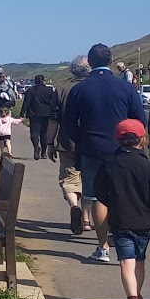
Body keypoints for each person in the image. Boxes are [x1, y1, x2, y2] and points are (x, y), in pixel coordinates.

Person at [60, 44, 147, 263]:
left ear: (89, 62)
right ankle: (124, 243)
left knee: (96, 197)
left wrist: (82, 139)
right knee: (121, 195)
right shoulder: (125, 88)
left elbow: (69, 123)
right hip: (122, 150)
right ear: (110, 61)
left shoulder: (80, 89)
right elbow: (139, 120)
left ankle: (103, 248)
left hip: (91, 149)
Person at [92, 120, 150, 299]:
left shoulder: (109, 163)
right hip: (144, 221)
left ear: (117, 140)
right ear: (142, 140)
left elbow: (100, 192)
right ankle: (136, 297)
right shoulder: (149, 166)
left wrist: (113, 201)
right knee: (139, 261)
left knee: (126, 261)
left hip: (120, 220)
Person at [53, 56, 90, 234]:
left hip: (68, 141)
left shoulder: (62, 90)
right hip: (92, 142)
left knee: (69, 179)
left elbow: (54, 119)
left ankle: (74, 205)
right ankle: (86, 219)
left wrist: (48, 142)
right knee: (90, 180)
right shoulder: (94, 89)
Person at [19, 74, 60, 160]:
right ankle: (44, 153)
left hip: (33, 114)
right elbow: (53, 103)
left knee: (34, 133)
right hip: (46, 114)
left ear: (35, 81)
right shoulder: (49, 90)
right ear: (43, 80)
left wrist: (22, 113)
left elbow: (26, 102)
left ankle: (36, 147)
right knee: (44, 133)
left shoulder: (30, 90)